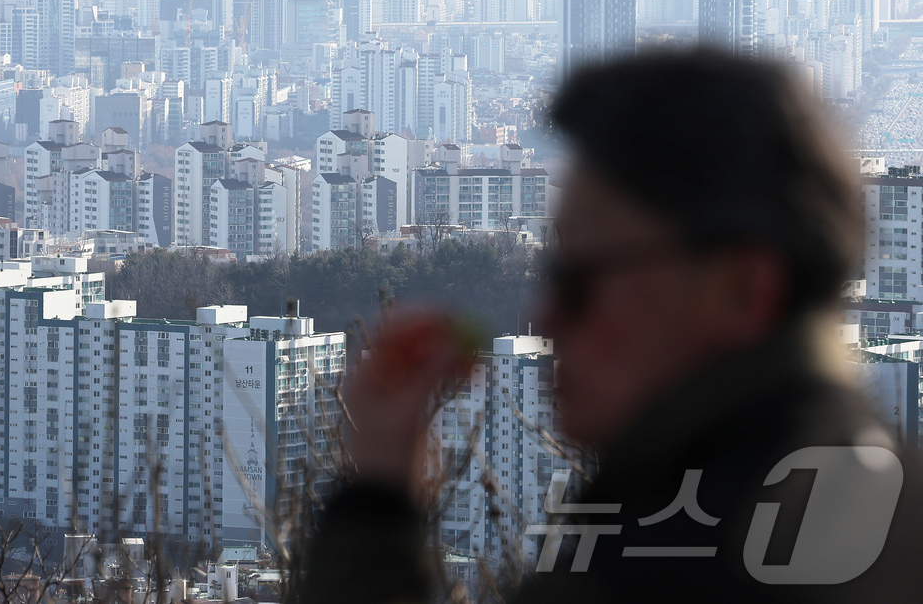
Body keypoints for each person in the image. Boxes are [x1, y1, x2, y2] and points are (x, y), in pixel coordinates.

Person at [299, 49, 923, 603]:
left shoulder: (651, 568)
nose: (543, 318)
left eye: (581, 281)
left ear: (742, 289)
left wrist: (374, 511)